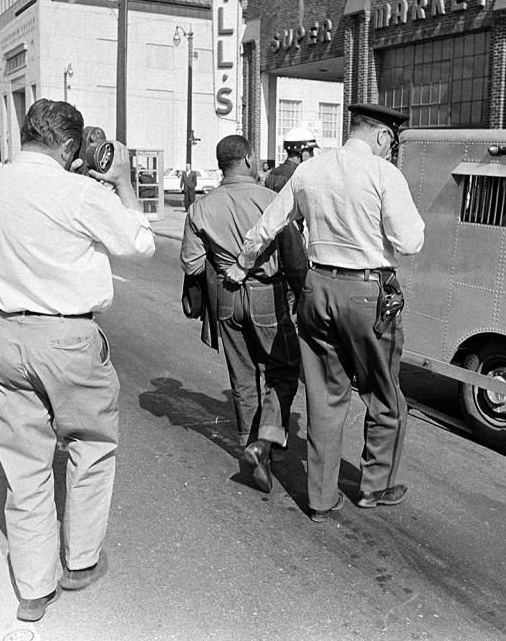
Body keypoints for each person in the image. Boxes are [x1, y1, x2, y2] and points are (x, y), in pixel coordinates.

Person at [0, 99, 155, 622]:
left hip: (3, 333)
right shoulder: (79, 192)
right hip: (68, 340)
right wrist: (119, 180)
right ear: (71, 147)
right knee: (90, 448)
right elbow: (140, 244)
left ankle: (32, 590)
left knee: (24, 467)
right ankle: (79, 562)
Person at [226, 103, 425, 523]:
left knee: (324, 396)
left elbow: (268, 224)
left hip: (317, 289)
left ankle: (320, 498)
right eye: (393, 142)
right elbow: (409, 242)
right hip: (367, 293)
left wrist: (242, 266)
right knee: (384, 393)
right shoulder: (384, 174)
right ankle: (375, 487)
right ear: (384, 137)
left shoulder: (310, 171)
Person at [180, 135, 301, 493]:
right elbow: (294, 258)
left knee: (243, 378)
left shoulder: (201, 207)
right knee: (284, 371)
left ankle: (253, 452)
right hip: (268, 295)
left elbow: (191, 262)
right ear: (248, 158)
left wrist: (223, 263)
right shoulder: (270, 200)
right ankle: (263, 443)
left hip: (227, 299)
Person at [265, 128, 315, 305]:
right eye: (311, 151)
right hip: (292, 240)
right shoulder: (299, 175)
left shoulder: (271, 174)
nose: (313, 156)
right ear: (301, 152)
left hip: (271, 241)